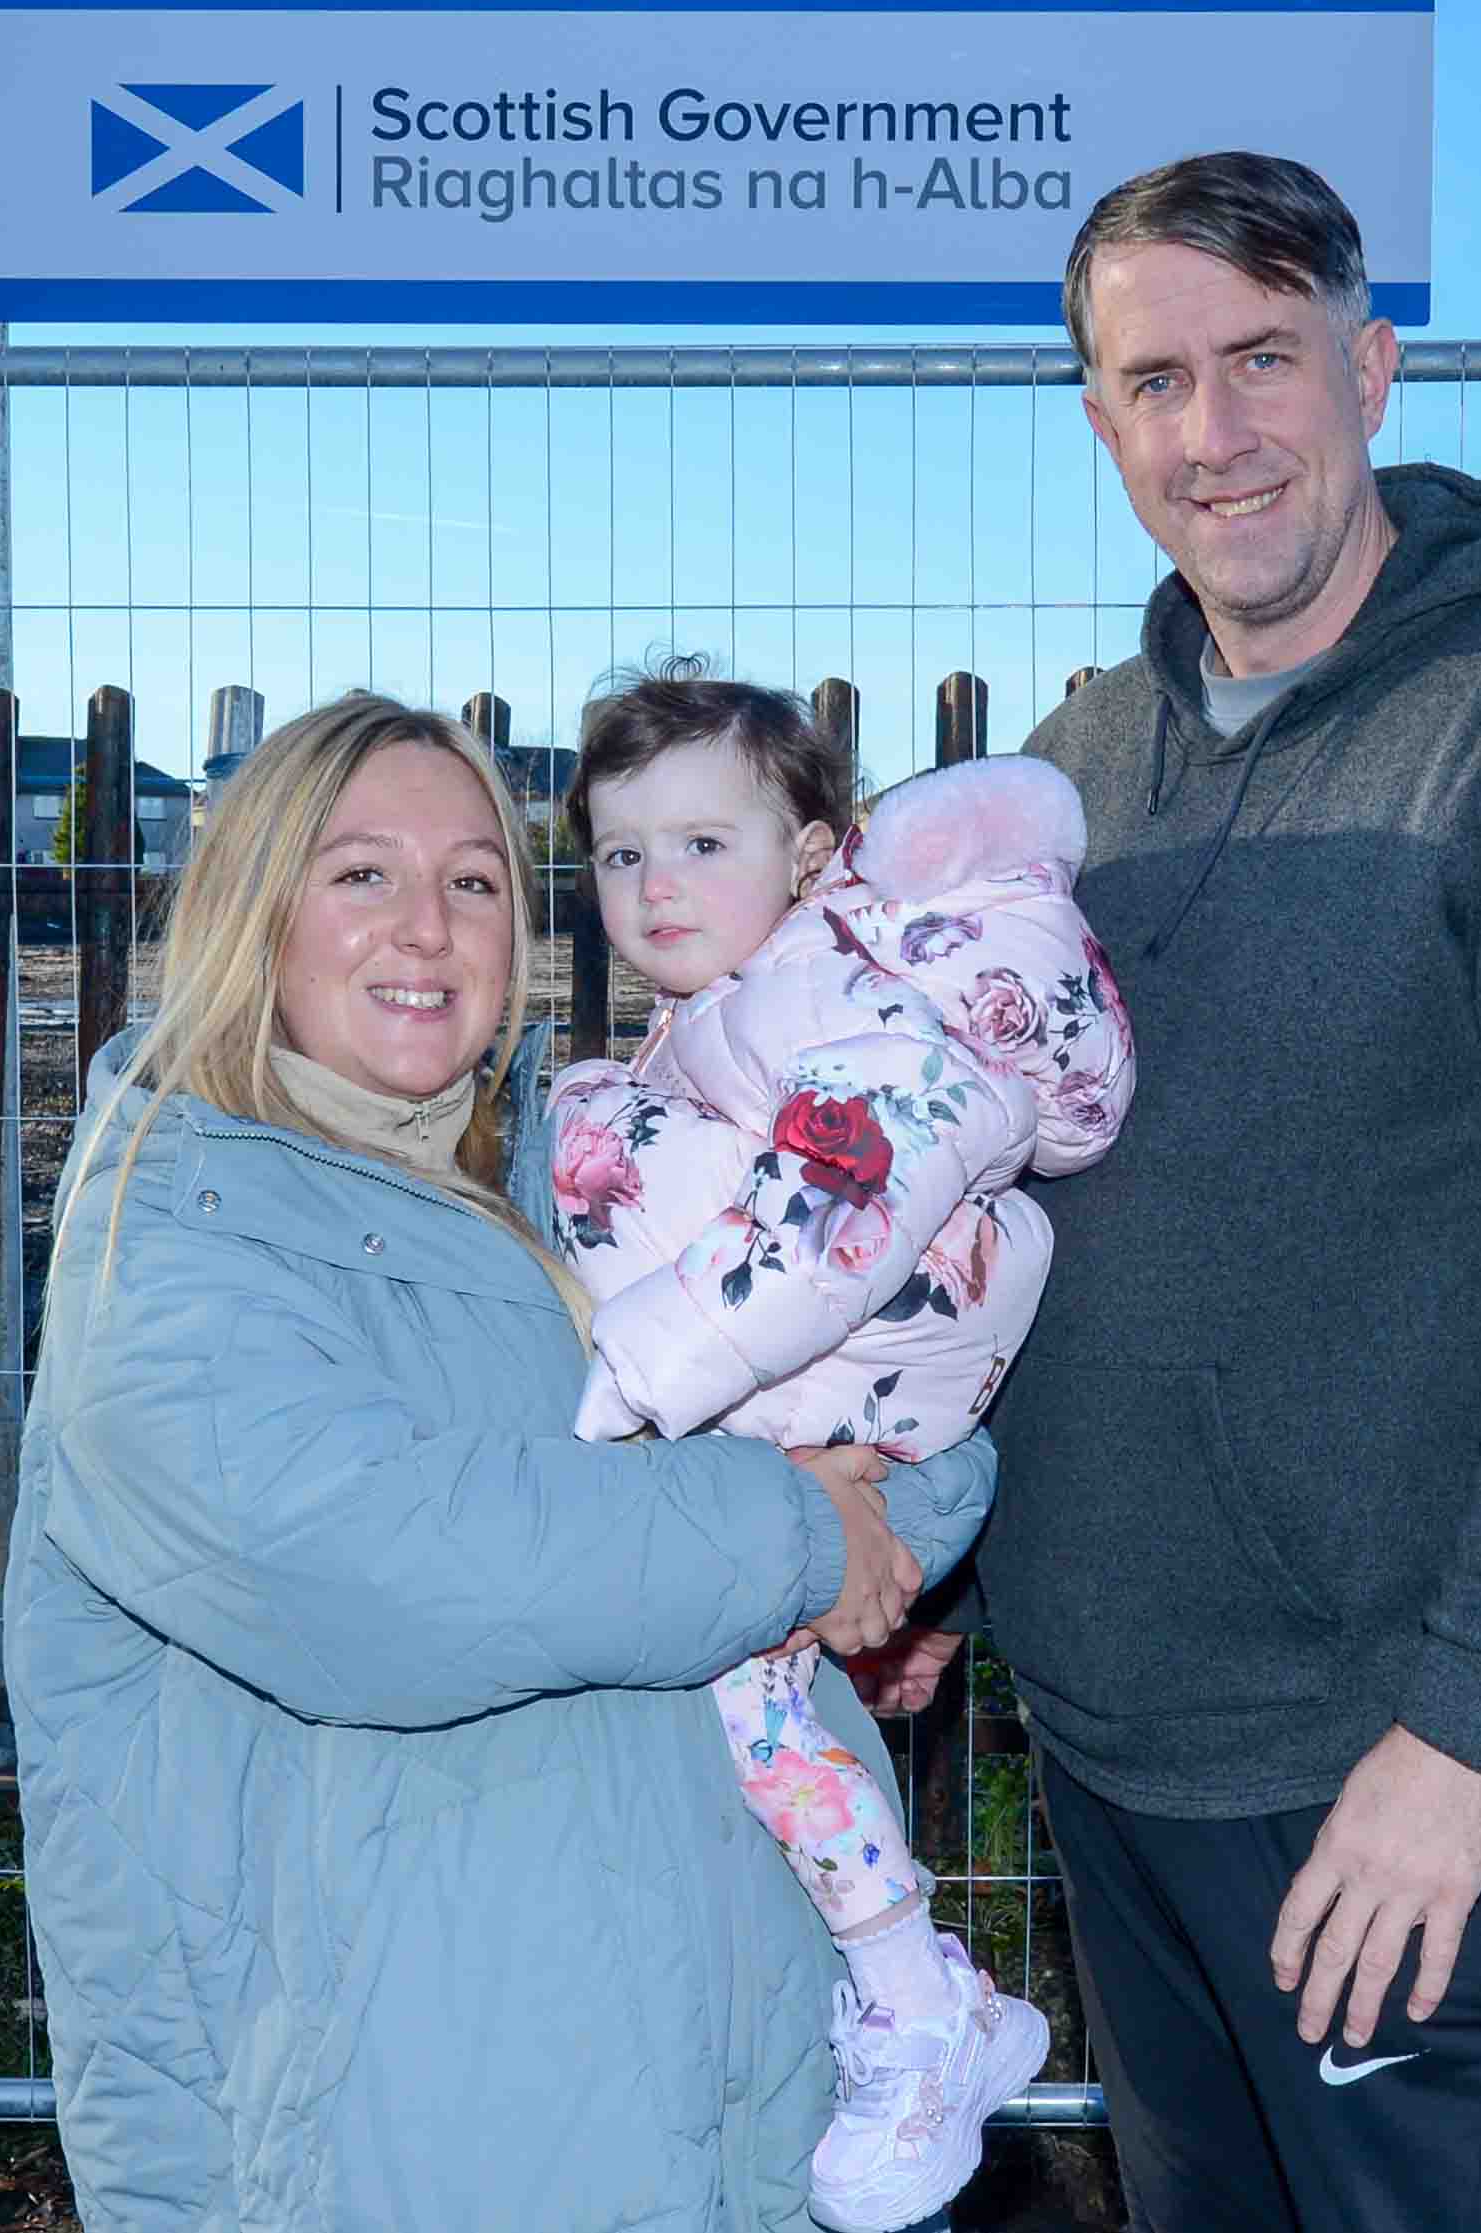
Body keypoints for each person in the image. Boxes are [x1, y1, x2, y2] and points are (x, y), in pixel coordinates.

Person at [851, 154, 1481, 2228]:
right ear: (1101, 419)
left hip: (1395, 1758)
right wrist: (936, 1561)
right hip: (1112, 1735)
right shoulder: (1079, 771)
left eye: (1262, 360)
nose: (1214, 431)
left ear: (1367, 368)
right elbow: (995, 1198)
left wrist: (1471, 1738)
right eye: (1155, 380)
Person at [3, 689, 1001, 2231]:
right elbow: (393, 1566)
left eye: (475, 879)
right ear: (253, 911)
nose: (427, 926)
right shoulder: (177, 1228)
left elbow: (905, 1397)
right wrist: (803, 1541)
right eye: (361, 874)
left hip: (746, 2111)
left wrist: (890, 1542)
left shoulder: (585, 1173)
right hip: (394, 2154)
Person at [549, 660, 1134, 2233]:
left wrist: (638, 1375)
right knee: (756, 1714)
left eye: (701, 844)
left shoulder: (822, 987)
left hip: (859, 1423)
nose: (655, 886)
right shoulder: (738, 1006)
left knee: (753, 1715)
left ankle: (912, 1994)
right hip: (846, 1417)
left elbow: (836, 1214)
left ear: (810, 854)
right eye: (620, 854)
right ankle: (887, 1987)